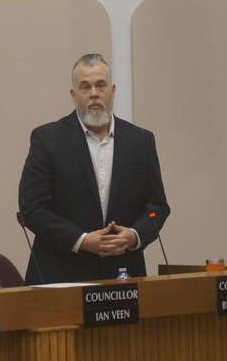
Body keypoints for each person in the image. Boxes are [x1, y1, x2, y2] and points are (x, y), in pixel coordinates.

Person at [18, 53, 170, 284]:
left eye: (101, 85)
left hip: (124, 275)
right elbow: (32, 208)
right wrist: (82, 240)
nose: (94, 94)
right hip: (61, 276)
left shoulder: (141, 142)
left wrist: (134, 235)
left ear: (112, 90)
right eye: (85, 87)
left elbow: (156, 207)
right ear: (73, 95)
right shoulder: (47, 140)